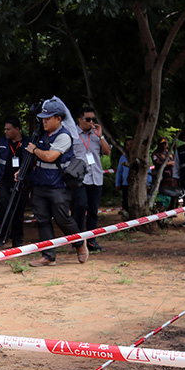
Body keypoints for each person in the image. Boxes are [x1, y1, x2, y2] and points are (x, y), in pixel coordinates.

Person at [23, 98, 89, 267]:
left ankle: (80, 243)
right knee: (42, 220)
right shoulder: (42, 134)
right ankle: (48, 256)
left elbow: (51, 156)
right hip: (40, 184)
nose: (44, 121)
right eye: (43, 118)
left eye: (48, 118)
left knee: (62, 219)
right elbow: (35, 159)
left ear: (58, 119)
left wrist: (35, 150)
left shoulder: (64, 136)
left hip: (58, 186)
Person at [70, 107, 111, 252]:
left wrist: (100, 136)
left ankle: (92, 240)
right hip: (79, 178)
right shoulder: (72, 134)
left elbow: (107, 152)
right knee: (80, 207)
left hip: (96, 176)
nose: (91, 122)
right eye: (88, 119)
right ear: (80, 120)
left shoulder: (95, 135)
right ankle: (78, 240)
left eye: (93, 119)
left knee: (93, 210)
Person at [0, 116, 30, 248]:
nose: (6, 132)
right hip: (4, 180)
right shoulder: (2, 141)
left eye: (9, 129)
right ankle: (2, 236)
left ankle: (17, 239)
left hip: (21, 182)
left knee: (18, 210)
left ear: (17, 129)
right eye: (5, 129)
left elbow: (33, 162)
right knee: (2, 207)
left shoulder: (27, 142)